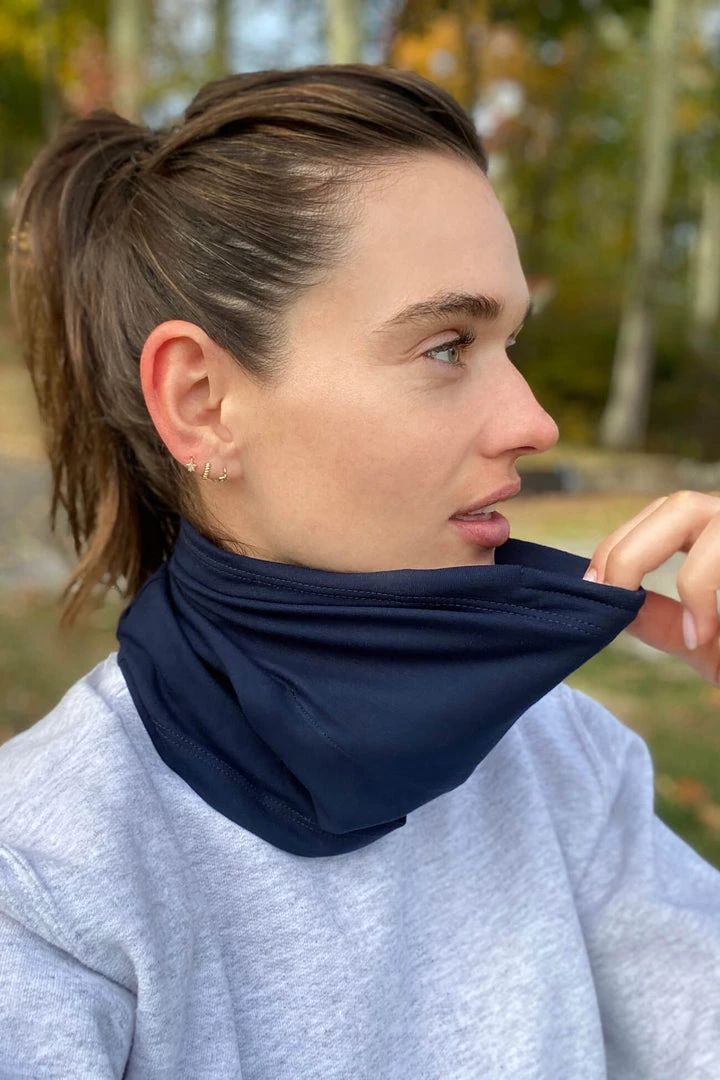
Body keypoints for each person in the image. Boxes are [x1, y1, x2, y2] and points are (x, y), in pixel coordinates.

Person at [1, 62, 719, 1080]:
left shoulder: (560, 760)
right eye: (446, 346)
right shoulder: (45, 879)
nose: (534, 421)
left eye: (510, 343)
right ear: (202, 403)